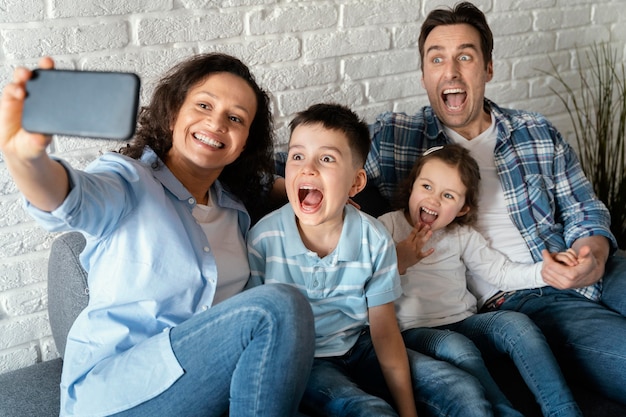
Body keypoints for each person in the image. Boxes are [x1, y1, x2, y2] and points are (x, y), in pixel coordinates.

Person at [0, 53, 316, 417]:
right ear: (172, 115)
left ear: (243, 143)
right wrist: (26, 159)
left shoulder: (236, 211)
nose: (216, 123)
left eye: (235, 118)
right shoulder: (128, 181)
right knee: (278, 305)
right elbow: (67, 199)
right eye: (203, 105)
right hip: (118, 393)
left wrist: (308, 188)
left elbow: (267, 181)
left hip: (202, 388)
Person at [364, 1, 626, 404]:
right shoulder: (397, 137)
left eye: (465, 57)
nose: (450, 71)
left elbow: (584, 210)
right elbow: (310, 162)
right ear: (423, 75)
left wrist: (592, 251)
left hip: (591, 264)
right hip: (526, 297)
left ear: (487, 68)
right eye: (437, 59)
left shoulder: (535, 131)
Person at [248, 103, 506, 417]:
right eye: (297, 156)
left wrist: (409, 412)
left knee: (461, 388)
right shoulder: (263, 240)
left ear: (356, 183)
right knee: (369, 410)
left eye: (326, 158)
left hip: (361, 345)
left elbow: (384, 332)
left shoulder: (374, 238)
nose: (308, 169)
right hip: (306, 361)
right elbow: (257, 338)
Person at [378, 144, 582, 417]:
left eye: (448, 195)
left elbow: (499, 272)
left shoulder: (461, 235)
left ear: (463, 209)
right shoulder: (386, 226)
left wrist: (542, 272)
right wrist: (398, 257)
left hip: (464, 322)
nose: (434, 199)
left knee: (517, 324)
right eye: (426, 186)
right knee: (457, 346)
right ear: (412, 186)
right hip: (414, 331)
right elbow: (366, 277)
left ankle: (563, 411)